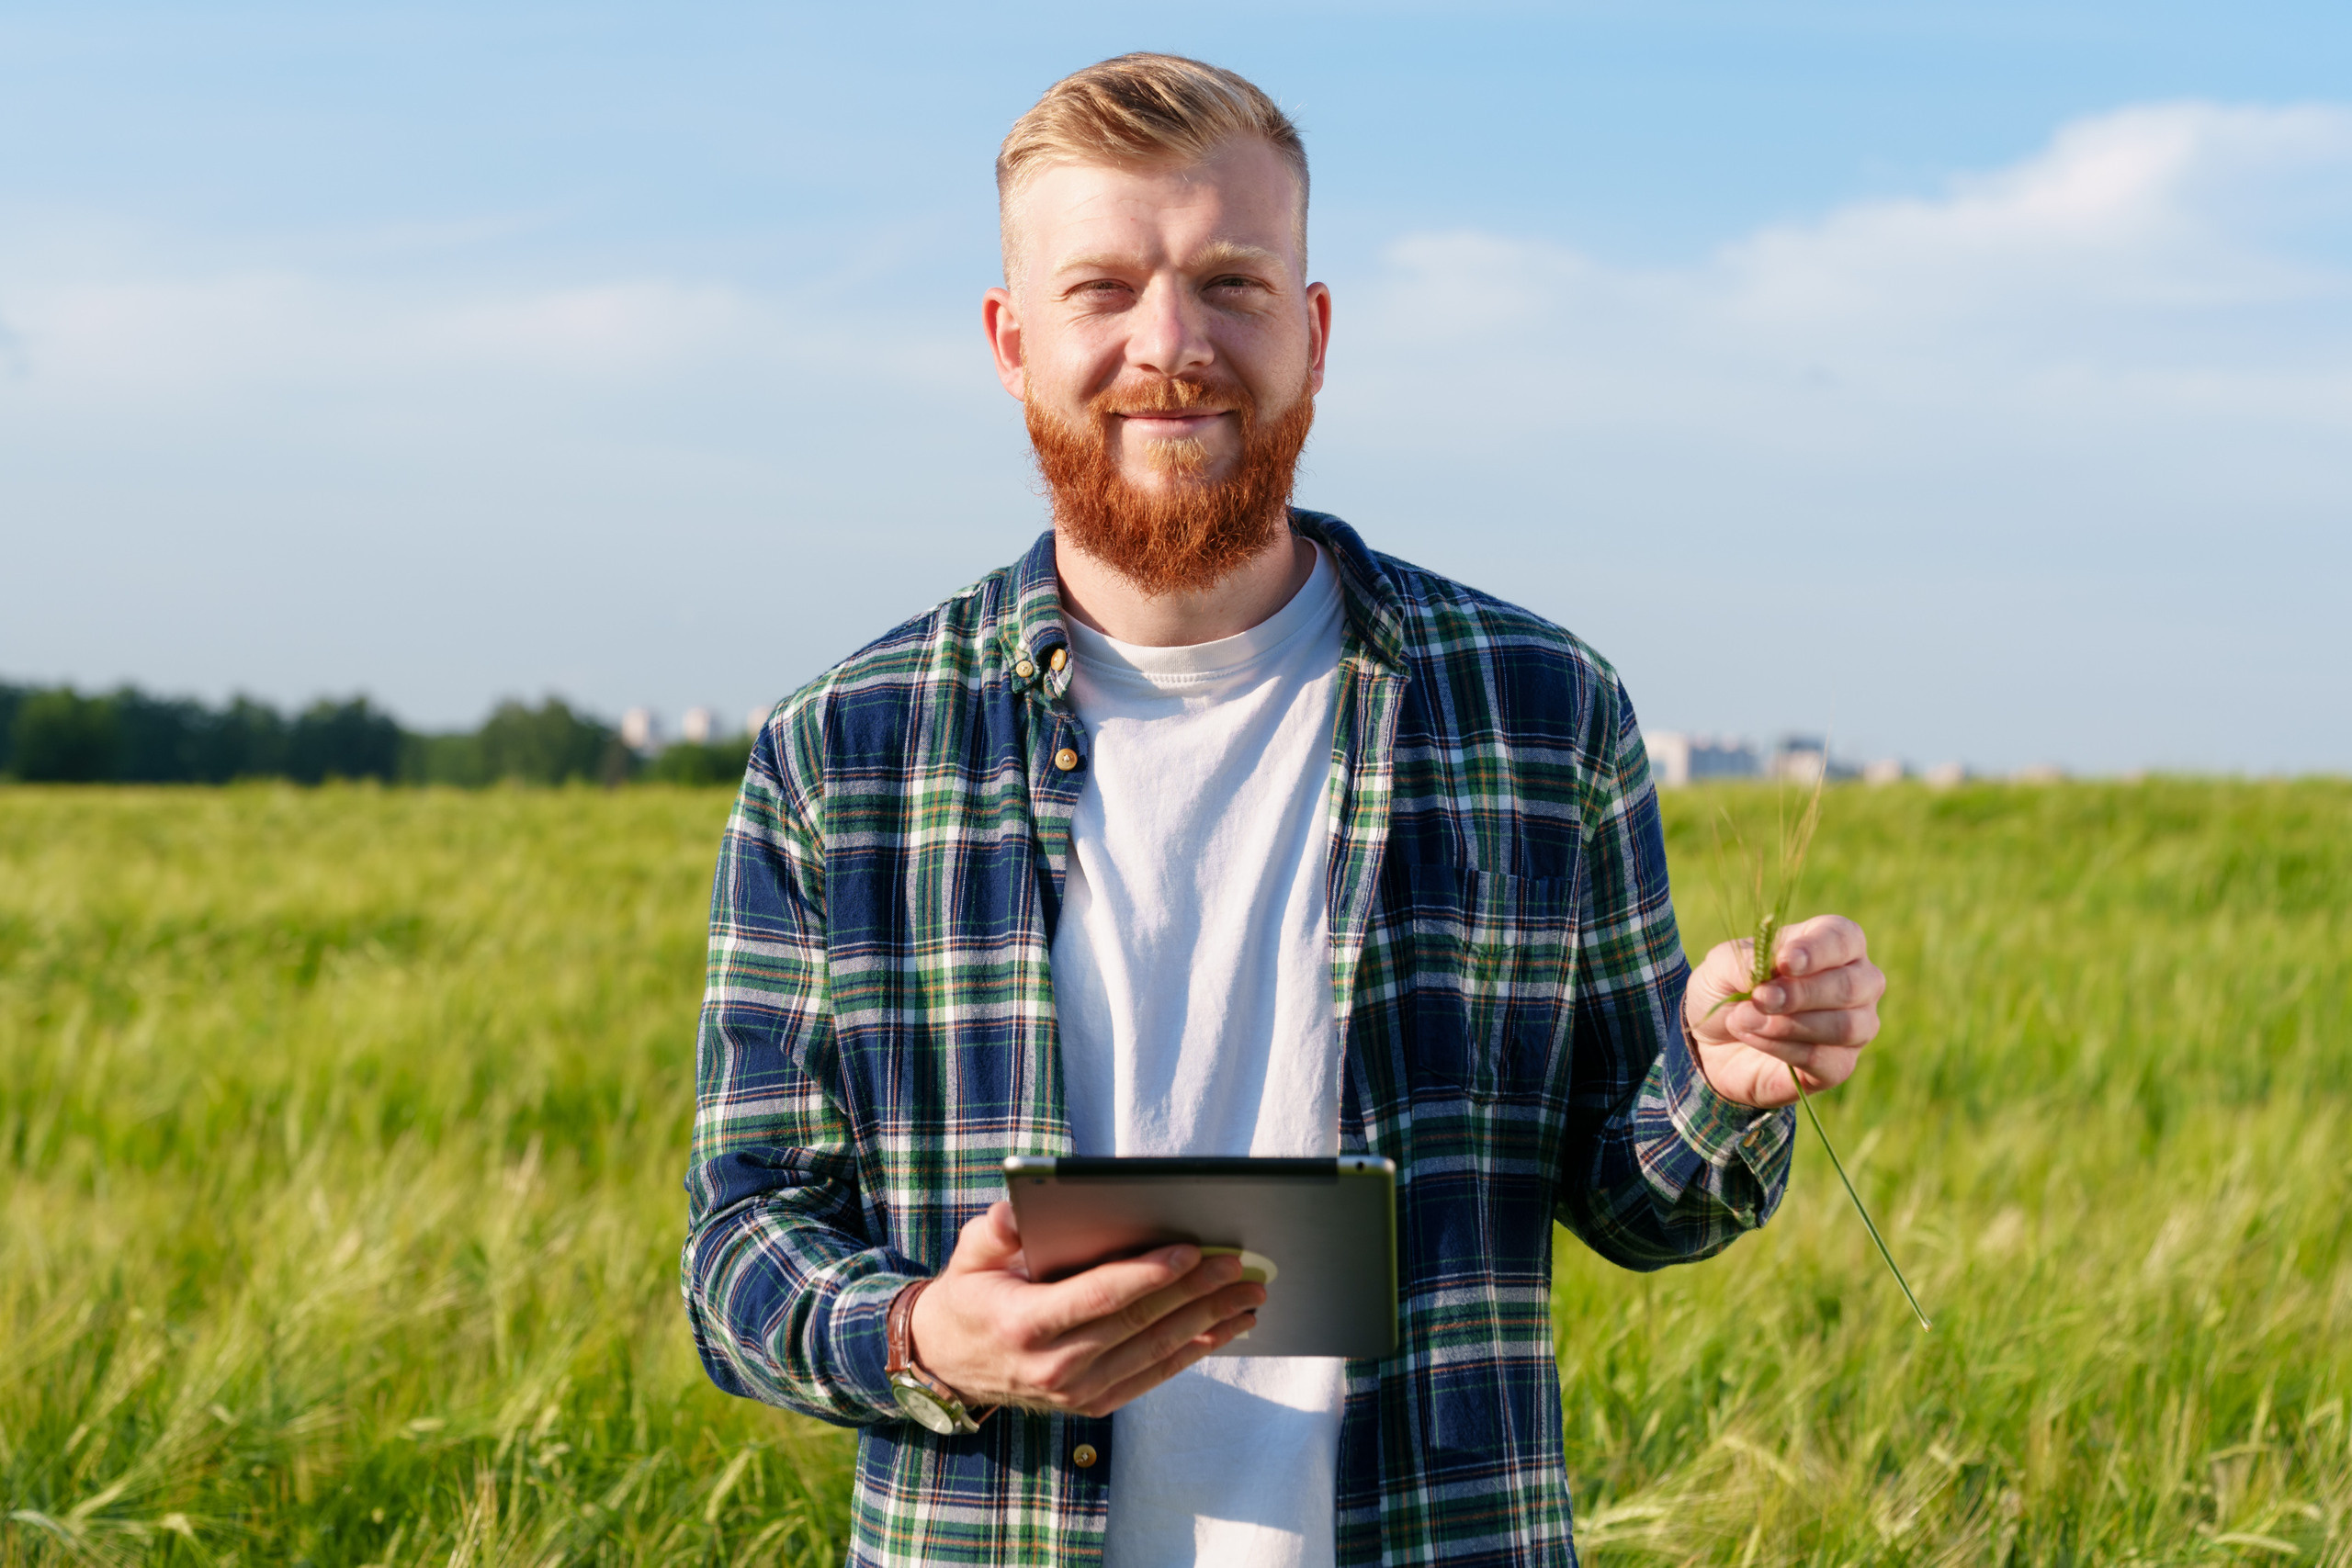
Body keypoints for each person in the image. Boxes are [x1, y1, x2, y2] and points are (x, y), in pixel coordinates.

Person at [682, 53, 1886, 1568]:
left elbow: (1639, 1200)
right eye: (1102, 289)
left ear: (1313, 336)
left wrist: (1716, 1079)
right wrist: (927, 1334)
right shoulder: (839, 755)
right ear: (1009, 342)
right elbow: (738, 1241)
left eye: (1232, 284)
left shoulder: (1540, 709)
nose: (1170, 345)